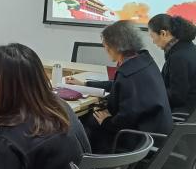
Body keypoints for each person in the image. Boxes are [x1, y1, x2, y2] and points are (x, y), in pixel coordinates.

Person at [68, 20, 172, 151]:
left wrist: (106, 121)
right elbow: (118, 85)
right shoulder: (143, 61)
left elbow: (125, 119)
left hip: (138, 140)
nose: (105, 49)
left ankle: (87, 159)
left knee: (83, 123)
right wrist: (86, 84)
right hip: (157, 132)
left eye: (105, 45)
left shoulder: (127, 73)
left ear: (115, 46)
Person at [147, 13, 196, 114]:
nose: (153, 42)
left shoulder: (178, 57)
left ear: (163, 34)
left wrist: (151, 94)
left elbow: (177, 97)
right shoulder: (187, 49)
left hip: (185, 114)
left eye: (152, 37)